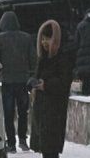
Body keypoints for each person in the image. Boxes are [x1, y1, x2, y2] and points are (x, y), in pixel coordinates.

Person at [0, 11, 35, 152]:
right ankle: (23, 140)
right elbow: (33, 60)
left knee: (8, 114)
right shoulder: (26, 38)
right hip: (23, 81)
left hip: (7, 81)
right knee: (23, 112)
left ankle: (11, 143)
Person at [28, 20, 74, 158]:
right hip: (42, 110)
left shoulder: (63, 57)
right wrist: (32, 83)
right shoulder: (43, 59)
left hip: (54, 111)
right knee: (45, 149)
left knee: (50, 149)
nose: (44, 42)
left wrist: (45, 85)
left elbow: (64, 82)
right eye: (42, 39)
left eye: (47, 39)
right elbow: (37, 76)